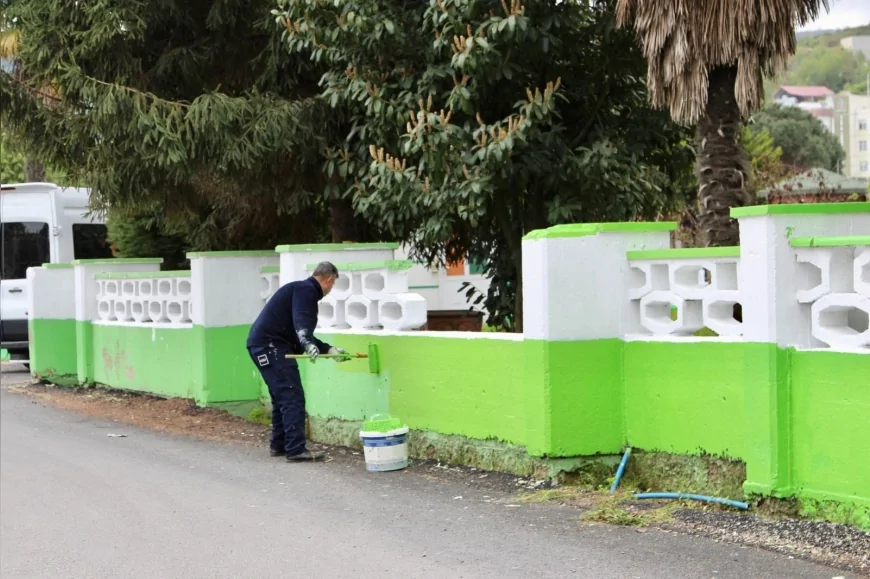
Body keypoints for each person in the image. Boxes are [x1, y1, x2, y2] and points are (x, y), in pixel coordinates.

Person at [246, 262, 346, 462]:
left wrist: (329, 349)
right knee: (292, 396)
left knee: (282, 396)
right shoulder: (306, 290)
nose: (331, 288)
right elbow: (302, 323)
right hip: (271, 346)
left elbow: (297, 329)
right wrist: (307, 342)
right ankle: (295, 449)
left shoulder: (299, 289)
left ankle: (280, 444)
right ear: (329, 280)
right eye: (333, 284)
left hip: (264, 345)